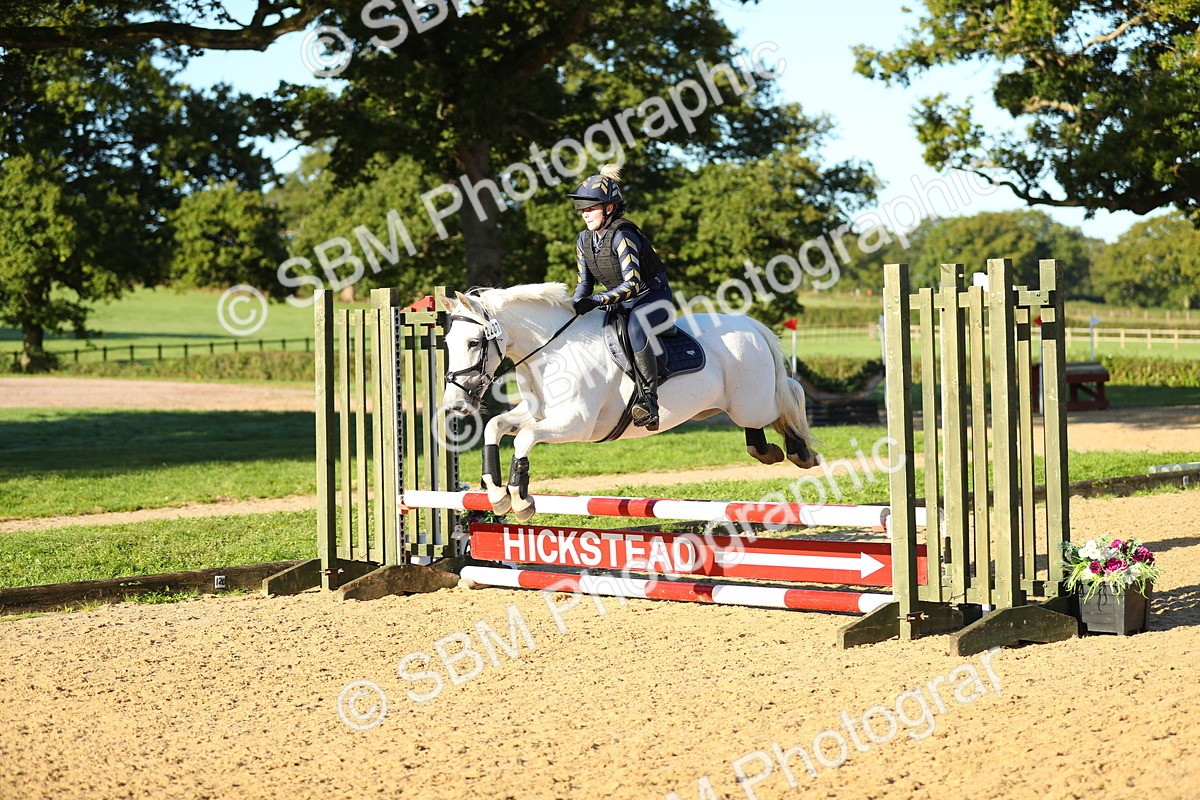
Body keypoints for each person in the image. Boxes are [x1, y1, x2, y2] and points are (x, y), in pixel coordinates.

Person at [567, 163, 674, 431]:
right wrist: (575, 304)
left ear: (609, 208)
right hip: (621, 301)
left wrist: (596, 301)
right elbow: (584, 284)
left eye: (590, 208)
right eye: (581, 208)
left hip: (652, 298)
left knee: (636, 327)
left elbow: (633, 284)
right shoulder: (583, 240)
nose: (584, 214)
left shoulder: (623, 235)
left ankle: (648, 401)